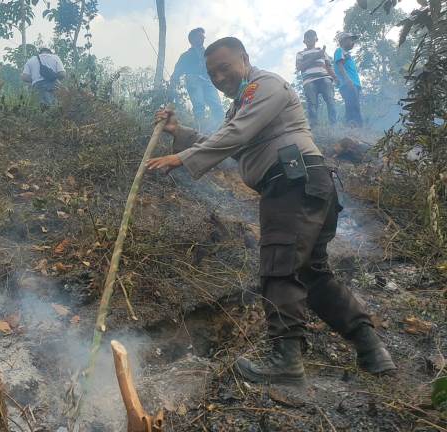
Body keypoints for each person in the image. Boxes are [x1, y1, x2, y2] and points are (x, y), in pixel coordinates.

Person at [145, 37, 395, 385]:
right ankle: (372, 349)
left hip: (293, 183)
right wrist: (179, 132)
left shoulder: (266, 85)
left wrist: (181, 158)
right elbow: (228, 139)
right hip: (306, 185)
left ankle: (286, 362)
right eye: (211, 72)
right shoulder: (242, 106)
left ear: (244, 59)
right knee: (313, 275)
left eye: (224, 67)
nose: (218, 77)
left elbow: (235, 134)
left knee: (278, 267)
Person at [170, 28, 225, 132]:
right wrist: (172, 85)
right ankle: (202, 132)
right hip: (193, 80)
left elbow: (215, 68)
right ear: (192, 39)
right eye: (199, 36)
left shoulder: (208, 54)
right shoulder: (186, 55)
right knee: (199, 106)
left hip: (208, 81)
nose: (202, 38)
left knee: (217, 105)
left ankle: (222, 129)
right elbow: (177, 71)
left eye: (202, 36)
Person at [296, 30, 337, 128]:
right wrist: (316, 56)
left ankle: (334, 126)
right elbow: (299, 67)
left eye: (312, 36)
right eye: (307, 37)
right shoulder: (300, 54)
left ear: (316, 39)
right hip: (309, 81)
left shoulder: (322, 52)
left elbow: (328, 66)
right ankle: (315, 128)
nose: (310, 38)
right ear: (304, 41)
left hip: (324, 78)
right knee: (312, 104)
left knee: (331, 101)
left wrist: (335, 77)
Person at [334, 32, 363, 127]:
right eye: (351, 40)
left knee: (355, 106)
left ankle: (355, 128)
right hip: (348, 84)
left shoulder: (348, 55)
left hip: (354, 84)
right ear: (343, 41)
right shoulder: (340, 51)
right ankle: (353, 128)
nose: (352, 42)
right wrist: (348, 80)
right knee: (352, 106)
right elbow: (340, 65)